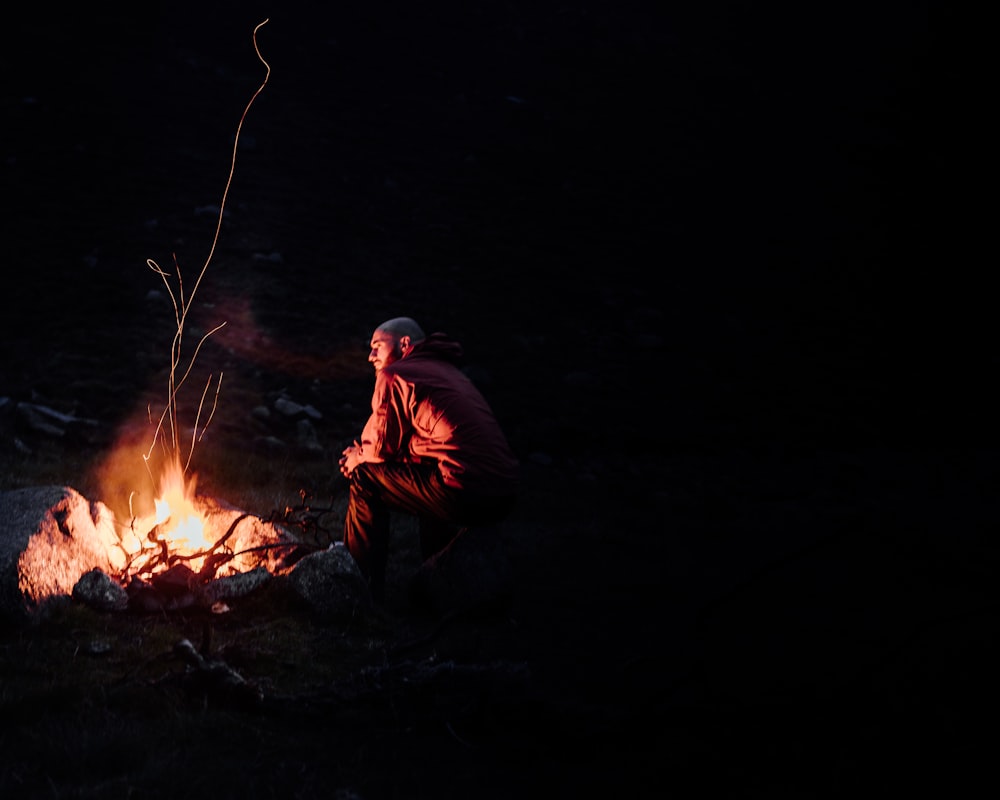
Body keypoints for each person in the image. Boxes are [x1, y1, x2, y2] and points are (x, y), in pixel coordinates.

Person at [338, 317, 519, 604]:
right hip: (504, 494)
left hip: (465, 490)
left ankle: (358, 589)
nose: (370, 356)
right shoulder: (448, 372)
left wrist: (357, 457)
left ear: (404, 344)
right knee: (424, 471)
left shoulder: (396, 374)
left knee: (364, 479)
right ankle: (439, 572)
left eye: (377, 347)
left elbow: (380, 450)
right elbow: (433, 444)